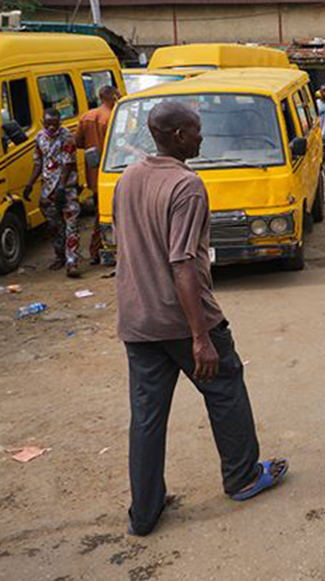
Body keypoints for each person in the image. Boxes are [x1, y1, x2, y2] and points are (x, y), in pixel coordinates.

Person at [112, 101, 287, 536]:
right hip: (183, 320)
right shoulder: (187, 186)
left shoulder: (128, 178)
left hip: (138, 319)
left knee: (147, 416)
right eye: (195, 131)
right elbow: (182, 263)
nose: (201, 137)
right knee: (226, 388)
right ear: (176, 137)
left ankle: (145, 511)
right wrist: (200, 336)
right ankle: (243, 476)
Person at [23, 108, 82, 278]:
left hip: (67, 189)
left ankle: (72, 263)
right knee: (54, 226)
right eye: (48, 124)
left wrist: (62, 188)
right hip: (48, 191)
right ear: (43, 122)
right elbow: (38, 161)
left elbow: (68, 164)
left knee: (72, 225)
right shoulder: (40, 137)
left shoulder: (67, 137)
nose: (51, 128)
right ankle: (60, 256)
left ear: (59, 123)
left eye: (54, 125)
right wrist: (30, 183)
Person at [76, 85, 120, 264]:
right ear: (114, 97)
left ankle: (96, 249)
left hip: (93, 174)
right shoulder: (113, 118)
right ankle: (98, 250)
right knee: (107, 214)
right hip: (112, 171)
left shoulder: (86, 117)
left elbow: (78, 142)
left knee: (98, 212)